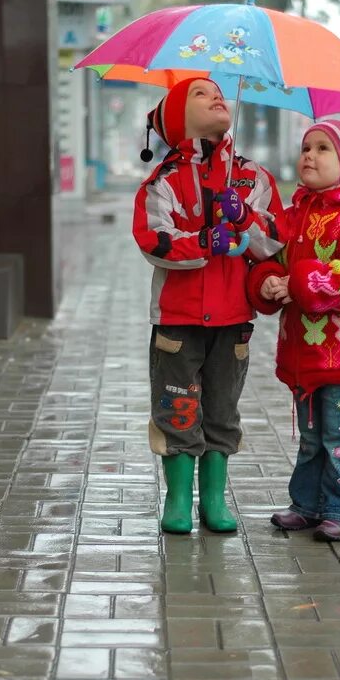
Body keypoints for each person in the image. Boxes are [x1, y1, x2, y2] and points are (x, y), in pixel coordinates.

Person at [133, 77, 287, 535]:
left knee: (222, 410)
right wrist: (206, 239)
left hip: (233, 319)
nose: (217, 96)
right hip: (178, 321)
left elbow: (275, 240)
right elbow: (154, 239)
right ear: (178, 118)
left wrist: (245, 218)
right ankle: (178, 499)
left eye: (219, 91)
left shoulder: (253, 177)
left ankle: (214, 499)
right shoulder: (164, 181)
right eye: (201, 93)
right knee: (177, 408)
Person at [246, 119, 340, 542]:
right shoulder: (297, 214)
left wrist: (302, 283)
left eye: (323, 148)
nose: (309, 155)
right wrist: (270, 281)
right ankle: (307, 505)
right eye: (306, 147)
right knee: (312, 438)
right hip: (304, 352)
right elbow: (274, 256)